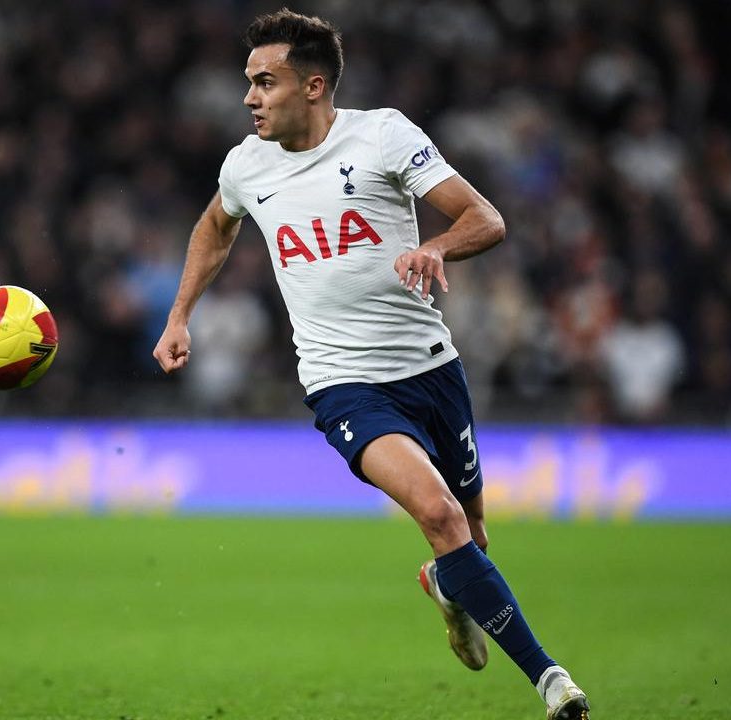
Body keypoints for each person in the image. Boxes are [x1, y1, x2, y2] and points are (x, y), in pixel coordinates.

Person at [152, 9, 590, 720]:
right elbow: (214, 226)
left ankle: (447, 586)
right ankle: (552, 682)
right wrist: (179, 315)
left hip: (431, 368)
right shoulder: (246, 165)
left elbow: (486, 218)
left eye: (265, 82)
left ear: (313, 86)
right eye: (248, 82)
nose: (249, 98)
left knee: (471, 541)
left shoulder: (382, 135)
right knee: (440, 514)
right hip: (344, 385)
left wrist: (436, 247)